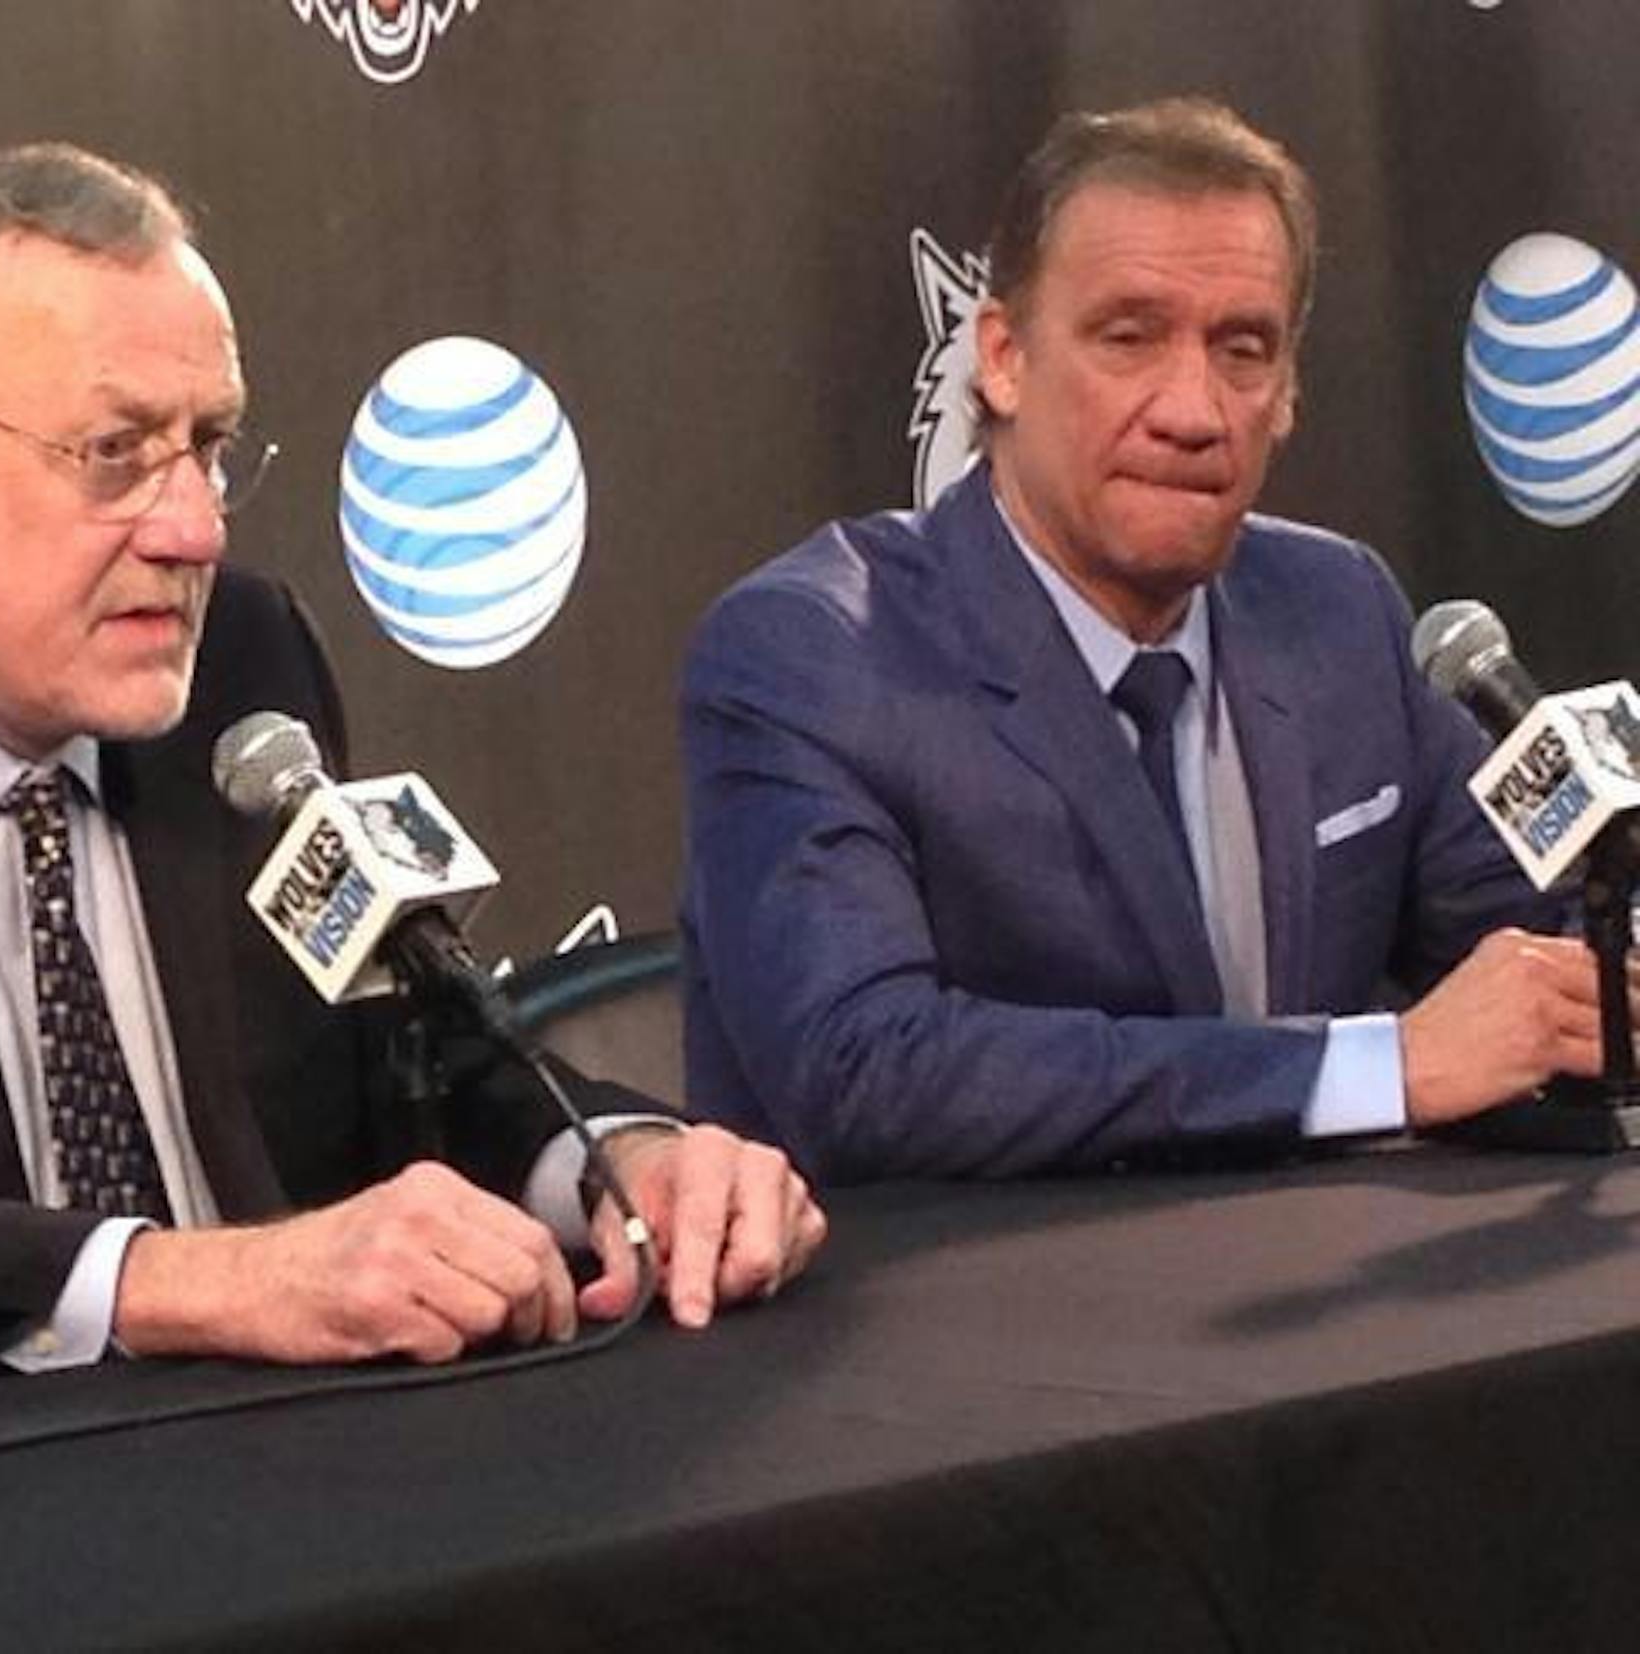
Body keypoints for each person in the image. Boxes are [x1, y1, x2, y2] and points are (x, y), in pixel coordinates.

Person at [0, 142, 823, 1391]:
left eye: (210, 446)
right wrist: (174, 1280)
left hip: (291, 1494)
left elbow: (407, 1056)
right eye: (114, 455)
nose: (189, 527)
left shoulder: (242, 665)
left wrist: (605, 1161)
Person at [680, 97, 1604, 1183]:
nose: (1194, 408)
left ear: (1292, 388)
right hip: (972, 1328)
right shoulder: (819, 650)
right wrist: (1373, 1066)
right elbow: (867, 1072)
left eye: (1243, 348)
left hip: (1333, 1318)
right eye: (1130, 337)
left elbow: (1530, 947)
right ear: (1004, 358)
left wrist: (1609, 977)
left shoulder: (1338, 606)